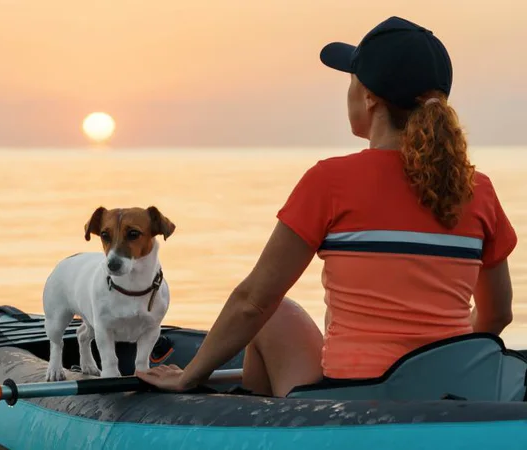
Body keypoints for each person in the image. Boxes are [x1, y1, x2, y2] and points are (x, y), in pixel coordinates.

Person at [135, 16, 517, 397]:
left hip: (353, 398)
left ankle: (259, 424)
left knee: (273, 313)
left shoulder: (330, 181)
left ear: (369, 97)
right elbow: (497, 314)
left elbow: (253, 301)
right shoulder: (477, 189)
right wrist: (440, 363)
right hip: (455, 395)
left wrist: (188, 376)